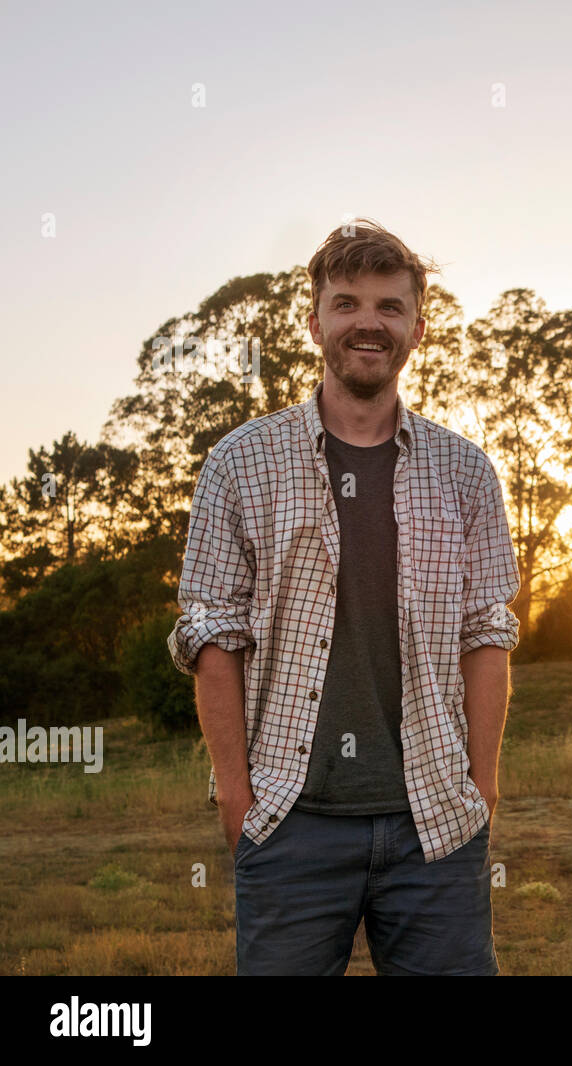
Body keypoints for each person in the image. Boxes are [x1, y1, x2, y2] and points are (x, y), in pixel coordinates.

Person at [167, 218, 520, 975]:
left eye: (390, 306)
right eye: (348, 302)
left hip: (435, 826)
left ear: (417, 328)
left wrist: (481, 788)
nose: (369, 322)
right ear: (315, 320)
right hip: (291, 824)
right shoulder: (240, 464)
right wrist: (238, 798)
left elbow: (486, 634)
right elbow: (211, 633)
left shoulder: (466, 474)